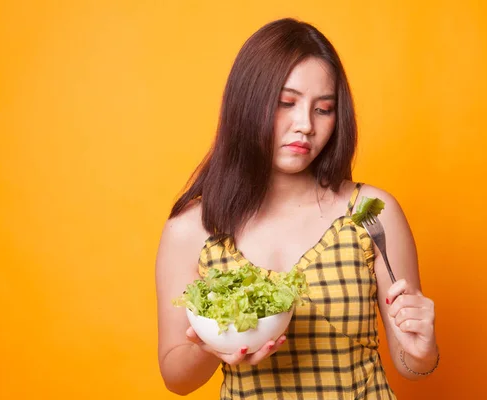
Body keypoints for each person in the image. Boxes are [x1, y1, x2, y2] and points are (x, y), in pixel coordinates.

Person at [155, 18, 439, 399]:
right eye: (286, 103)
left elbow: (410, 364)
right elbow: (177, 379)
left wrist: (422, 351)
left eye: (323, 109)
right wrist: (210, 345)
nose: (305, 125)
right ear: (247, 103)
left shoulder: (371, 213)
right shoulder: (193, 229)